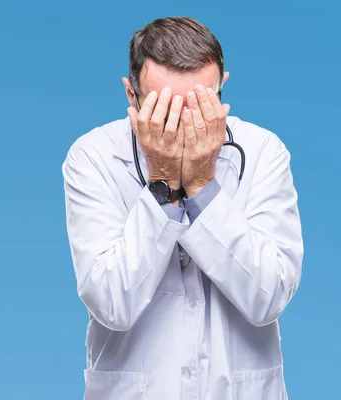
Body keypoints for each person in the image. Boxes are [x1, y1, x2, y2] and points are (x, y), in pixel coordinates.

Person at [61, 16, 303, 400]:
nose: (181, 127)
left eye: (198, 107)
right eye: (164, 110)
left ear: (221, 90)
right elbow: (111, 303)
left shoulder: (263, 152)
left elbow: (268, 297)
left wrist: (203, 184)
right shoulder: (92, 157)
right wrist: (162, 181)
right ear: (131, 96)